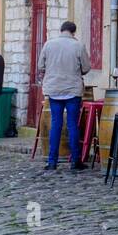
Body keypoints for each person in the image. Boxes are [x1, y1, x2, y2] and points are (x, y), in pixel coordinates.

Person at [36, 20, 90, 171]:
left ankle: (52, 161)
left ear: (61, 30)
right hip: (72, 89)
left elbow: (40, 66)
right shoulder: (78, 45)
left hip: (54, 89)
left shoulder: (49, 45)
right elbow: (86, 67)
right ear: (73, 32)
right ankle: (75, 161)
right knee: (73, 124)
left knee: (56, 123)